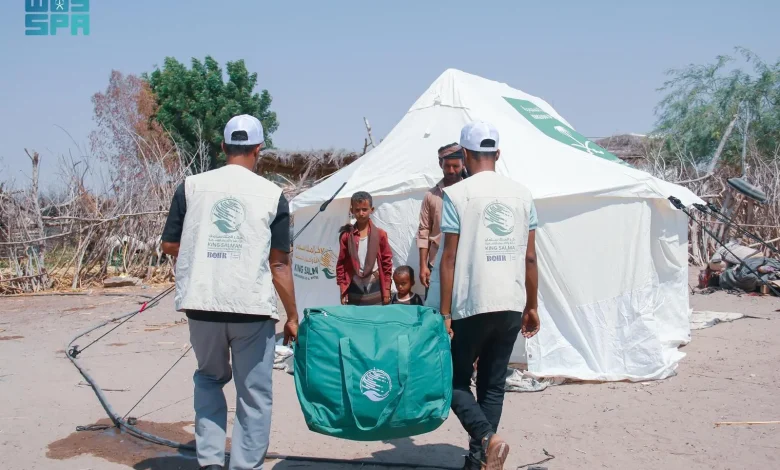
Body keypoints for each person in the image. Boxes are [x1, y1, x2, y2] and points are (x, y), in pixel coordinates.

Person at [160, 114, 299, 470]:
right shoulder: (272, 195)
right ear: (259, 149)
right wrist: (292, 315)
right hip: (251, 311)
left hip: (202, 305)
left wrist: (204, 252)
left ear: (223, 147)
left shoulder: (191, 187)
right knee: (254, 395)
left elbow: (170, 244)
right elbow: (279, 264)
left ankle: (210, 462)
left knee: (209, 379)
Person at [438, 121, 541, 470]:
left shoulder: (457, 195)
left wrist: (445, 313)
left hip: (472, 303)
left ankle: (486, 439)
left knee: (452, 381)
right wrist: (532, 306)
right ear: (497, 154)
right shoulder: (523, 195)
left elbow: (448, 258)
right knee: (492, 385)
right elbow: (530, 257)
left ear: (465, 155)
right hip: (511, 302)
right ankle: (479, 460)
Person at [416, 143, 465, 299]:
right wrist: (423, 265)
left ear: (463, 164)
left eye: (455, 166)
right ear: (440, 164)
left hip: (464, 263)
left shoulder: (471, 192)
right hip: (436, 263)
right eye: (447, 166)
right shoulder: (431, 196)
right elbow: (423, 231)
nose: (451, 170)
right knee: (435, 308)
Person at [336, 191, 393, 306]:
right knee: (355, 317)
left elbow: (387, 263)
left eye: (364, 209)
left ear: (372, 209)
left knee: (376, 316)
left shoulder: (380, 234)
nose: (361, 213)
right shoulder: (347, 236)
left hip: (375, 284)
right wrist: (343, 290)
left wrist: (387, 289)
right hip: (354, 285)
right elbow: (341, 264)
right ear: (352, 210)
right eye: (357, 210)